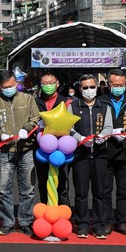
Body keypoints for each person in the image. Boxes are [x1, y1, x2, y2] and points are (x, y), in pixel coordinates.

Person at [0, 70, 39, 236]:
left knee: (27, 189)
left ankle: (25, 221)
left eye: (11, 86)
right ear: (0, 86)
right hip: (5, 151)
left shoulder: (27, 99)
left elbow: (35, 118)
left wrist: (26, 129)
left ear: (16, 83)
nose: (9, 89)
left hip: (25, 149)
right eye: (5, 87)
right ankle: (8, 222)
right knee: (4, 189)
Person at [69, 74, 114, 239]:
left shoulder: (104, 106)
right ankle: (81, 225)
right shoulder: (73, 106)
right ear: (80, 89)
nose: (89, 90)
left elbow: (109, 126)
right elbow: (68, 128)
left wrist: (102, 136)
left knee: (99, 192)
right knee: (81, 192)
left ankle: (99, 225)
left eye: (92, 87)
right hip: (81, 155)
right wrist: (79, 139)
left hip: (100, 154)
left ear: (97, 87)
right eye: (85, 87)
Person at [98, 68, 126, 236]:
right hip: (105, 152)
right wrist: (109, 134)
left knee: (125, 190)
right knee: (105, 189)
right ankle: (108, 221)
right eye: (115, 84)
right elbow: (96, 125)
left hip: (125, 152)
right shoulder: (101, 101)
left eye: (121, 85)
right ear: (109, 84)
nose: (118, 87)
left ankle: (121, 221)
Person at [35, 71, 71, 207]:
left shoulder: (66, 102)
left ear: (57, 84)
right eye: (44, 83)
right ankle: (45, 214)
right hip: (42, 149)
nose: (48, 86)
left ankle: (64, 215)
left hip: (61, 149)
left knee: (62, 183)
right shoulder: (35, 102)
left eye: (51, 83)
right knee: (43, 182)